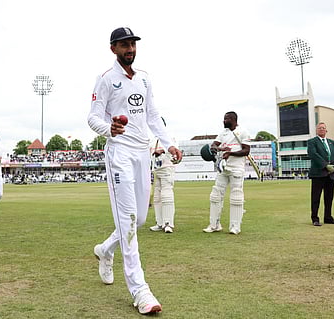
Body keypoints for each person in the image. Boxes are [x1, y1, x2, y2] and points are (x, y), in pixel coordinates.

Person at [87, 27, 182, 315]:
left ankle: (105, 249)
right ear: (113, 48)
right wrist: (109, 129)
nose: (130, 49)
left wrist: (169, 144)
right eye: (124, 45)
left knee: (139, 219)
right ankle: (140, 290)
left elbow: (153, 115)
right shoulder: (105, 80)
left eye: (132, 44)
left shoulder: (144, 78)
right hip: (119, 153)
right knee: (129, 221)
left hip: (143, 153)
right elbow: (92, 117)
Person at [203, 111, 250, 235]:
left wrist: (231, 153)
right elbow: (214, 145)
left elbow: (246, 151)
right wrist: (218, 148)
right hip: (223, 167)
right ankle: (214, 225)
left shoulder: (243, 132)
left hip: (236, 168)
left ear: (233, 119)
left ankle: (235, 226)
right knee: (216, 195)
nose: (223, 121)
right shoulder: (223, 133)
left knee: (236, 196)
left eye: (226, 119)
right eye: (223, 119)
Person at [307, 122, 334, 226]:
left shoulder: (333, 143)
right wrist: (326, 165)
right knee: (316, 197)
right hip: (318, 173)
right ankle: (315, 218)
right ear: (316, 130)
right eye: (319, 128)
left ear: (326, 130)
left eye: (323, 128)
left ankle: (328, 217)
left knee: (329, 197)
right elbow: (313, 154)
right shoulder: (312, 142)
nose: (322, 129)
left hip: (330, 175)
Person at [149, 118, 178, 233]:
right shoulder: (153, 140)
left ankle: (168, 224)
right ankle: (159, 222)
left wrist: (162, 151)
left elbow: (174, 150)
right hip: (157, 170)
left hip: (167, 169)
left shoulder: (170, 138)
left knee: (167, 195)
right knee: (157, 198)